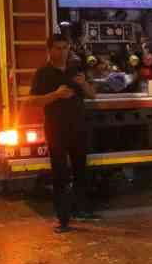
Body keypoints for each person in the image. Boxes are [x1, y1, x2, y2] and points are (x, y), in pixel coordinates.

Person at [23, 34, 99, 233]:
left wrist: (83, 84)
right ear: (49, 50)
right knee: (60, 175)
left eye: (65, 47)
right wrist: (55, 95)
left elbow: (93, 94)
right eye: (57, 48)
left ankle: (81, 210)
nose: (62, 52)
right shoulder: (43, 73)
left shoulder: (75, 70)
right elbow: (31, 101)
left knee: (81, 171)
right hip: (57, 130)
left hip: (79, 128)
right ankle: (62, 219)